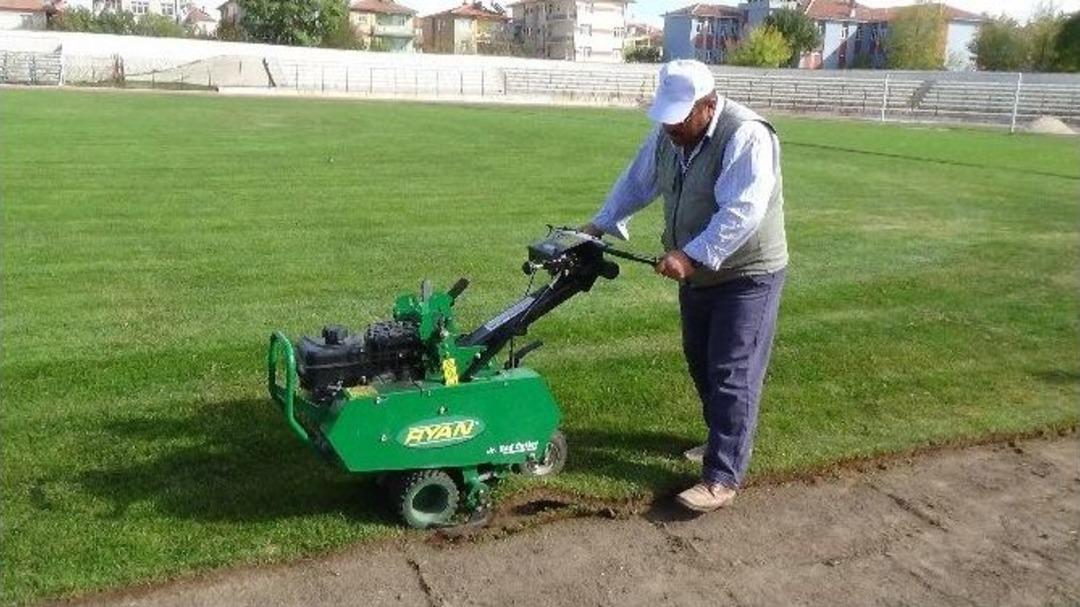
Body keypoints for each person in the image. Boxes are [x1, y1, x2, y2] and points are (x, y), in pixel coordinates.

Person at [581, 59, 787, 513]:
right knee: (700, 359)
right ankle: (721, 440)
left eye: (680, 116)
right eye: (666, 117)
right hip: (697, 273)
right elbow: (637, 180)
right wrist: (598, 224)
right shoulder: (669, 136)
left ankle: (722, 476)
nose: (671, 127)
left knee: (731, 372)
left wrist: (689, 255)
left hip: (746, 274)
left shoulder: (746, 135)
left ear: (708, 105)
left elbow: (743, 212)